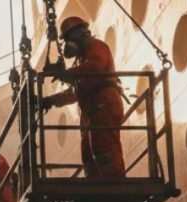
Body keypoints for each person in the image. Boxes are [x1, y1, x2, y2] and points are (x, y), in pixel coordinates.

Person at [41, 16, 126, 178]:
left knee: (105, 148)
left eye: (68, 39)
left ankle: (114, 182)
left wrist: (66, 74)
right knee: (88, 153)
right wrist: (51, 100)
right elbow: (76, 91)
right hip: (92, 112)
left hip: (104, 106)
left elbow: (94, 68)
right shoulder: (81, 60)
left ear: (79, 34)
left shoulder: (96, 47)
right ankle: (95, 184)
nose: (67, 44)